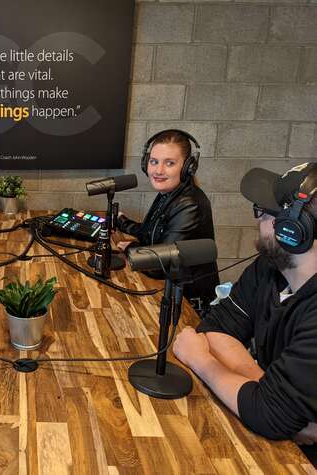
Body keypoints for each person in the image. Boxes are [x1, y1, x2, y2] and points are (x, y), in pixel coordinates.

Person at [173, 162, 317, 465]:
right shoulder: (270, 269)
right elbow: (216, 329)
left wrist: (200, 359)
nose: (259, 217)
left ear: (293, 229)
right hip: (280, 436)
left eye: (266, 211)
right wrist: (266, 393)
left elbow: (269, 417)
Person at [117, 129, 219, 313]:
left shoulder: (190, 204)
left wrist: (130, 249)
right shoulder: (171, 193)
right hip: (171, 292)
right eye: (154, 162)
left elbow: (160, 264)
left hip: (188, 306)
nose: (158, 170)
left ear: (188, 166)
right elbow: (152, 231)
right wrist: (122, 222)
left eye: (169, 163)